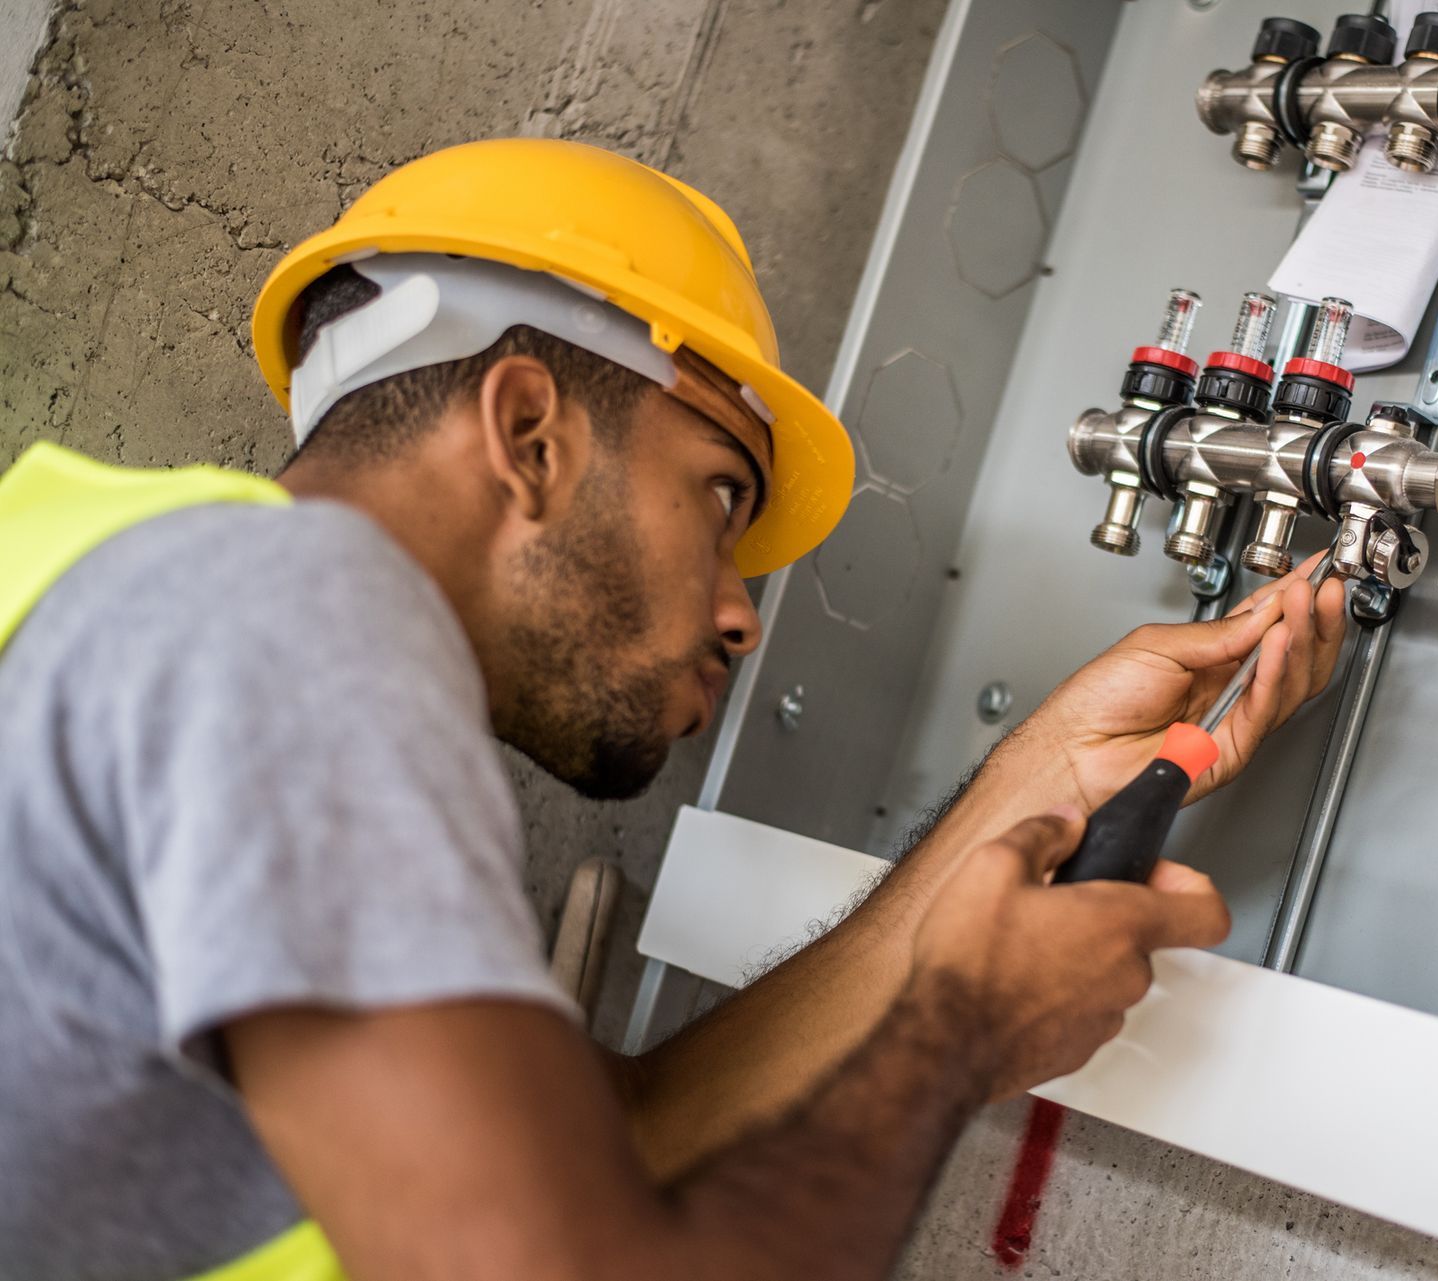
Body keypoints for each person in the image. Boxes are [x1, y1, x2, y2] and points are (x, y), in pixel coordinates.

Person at [0, 138, 1346, 1281]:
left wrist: (1030, 783)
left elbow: (621, 1142)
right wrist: (960, 1041)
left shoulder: (128, 584)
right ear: (529, 432)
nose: (740, 612)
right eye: (720, 498)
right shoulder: (283, 626)